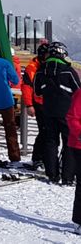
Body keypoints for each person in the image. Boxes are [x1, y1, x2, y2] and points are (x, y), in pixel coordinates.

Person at [35, 42, 79, 184]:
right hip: (67, 112)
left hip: (47, 110)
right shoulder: (68, 71)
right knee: (69, 144)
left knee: (50, 142)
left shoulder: (41, 70)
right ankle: (68, 177)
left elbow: (37, 91)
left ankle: (52, 174)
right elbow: (78, 91)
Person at [22, 42, 50, 169]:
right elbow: (27, 87)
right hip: (38, 103)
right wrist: (29, 105)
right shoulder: (32, 67)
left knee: (49, 132)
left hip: (49, 104)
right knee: (44, 131)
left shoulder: (47, 66)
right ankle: (37, 158)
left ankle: (46, 157)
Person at [62, 75, 81, 234]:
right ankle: (79, 221)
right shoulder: (80, 94)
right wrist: (79, 133)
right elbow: (72, 117)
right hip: (79, 144)